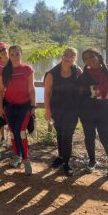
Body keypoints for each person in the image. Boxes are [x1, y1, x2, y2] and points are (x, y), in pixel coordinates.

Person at [78, 48, 108, 179]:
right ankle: (92, 161)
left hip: (104, 110)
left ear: (99, 56)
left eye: (91, 56)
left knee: (107, 140)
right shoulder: (84, 75)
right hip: (87, 112)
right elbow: (79, 93)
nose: (89, 60)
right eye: (86, 59)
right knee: (89, 137)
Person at [0, 45, 36, 176]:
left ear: (21, 54)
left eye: (17, 54)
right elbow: (0, 90)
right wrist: (1, 107)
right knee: (13, 132)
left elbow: (31, 89)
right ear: (9, 55)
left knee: (20, 132)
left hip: (24, 106)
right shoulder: (5, 70)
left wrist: (33, 106)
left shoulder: (27, 69)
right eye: (12, 54)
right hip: (9, 106)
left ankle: (26, 160)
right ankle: (17, 156)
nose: (14, 57)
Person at [44, 47, 82, 176]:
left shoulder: (78, 71)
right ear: (62, 56)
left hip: (73, 110)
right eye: (66, 55)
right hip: (57, 110)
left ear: (74, 59)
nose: (68, 58)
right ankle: (60, 157)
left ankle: (66, 162)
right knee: (60, 133)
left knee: (68, 136)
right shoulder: (51, 73)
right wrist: (47, 110)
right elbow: (47, 93)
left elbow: (84, 88)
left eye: (72, 56)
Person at [0, 42, 9, 147]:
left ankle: (13, 137)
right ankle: (3, 138)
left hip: (13, 95)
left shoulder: (14, 61)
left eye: (3, 49)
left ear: (7, 48)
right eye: (0, 50)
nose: (2, 52)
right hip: (2, 95)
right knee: (2, 117)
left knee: (12, 118)